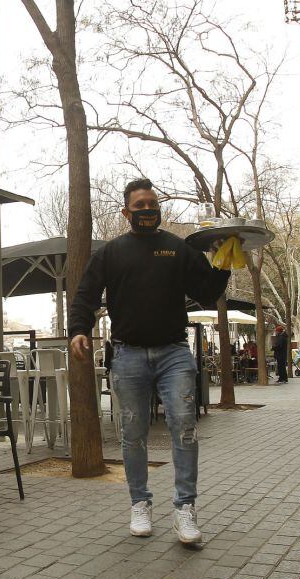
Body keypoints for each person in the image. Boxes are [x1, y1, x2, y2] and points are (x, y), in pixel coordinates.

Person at [69, 178, 230, 544]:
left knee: (185, 427)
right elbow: (85, 295)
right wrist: (79, 328)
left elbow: (206, 291)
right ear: (126, 212)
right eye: (139, 205)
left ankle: (184, 510)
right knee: (133, 435)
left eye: (152, 203)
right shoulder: (111, 253)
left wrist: (222, 264)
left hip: (174, 353)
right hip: (127, 355)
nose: (147, 210)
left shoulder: (176, 248)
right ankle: (139, 503)